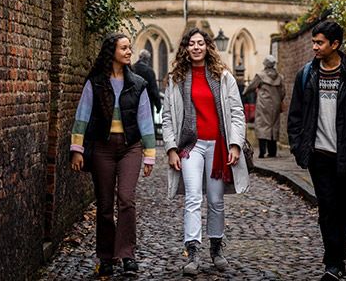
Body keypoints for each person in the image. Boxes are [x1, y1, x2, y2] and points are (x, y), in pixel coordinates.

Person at [287, 20, 346, 281]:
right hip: (318, 156)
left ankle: (338, 257)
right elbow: (295, 116)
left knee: (344, 209)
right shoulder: (306, 75)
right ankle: (333, 263)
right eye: (313, 42)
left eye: (320, 43)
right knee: (327, 208)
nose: (314, 47)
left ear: (335, 44)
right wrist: (298, 147)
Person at [161, 28, 248, 276]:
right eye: (192, 43)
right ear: (186, 49)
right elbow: (167, 117)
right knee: (192, 198)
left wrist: (235, 144)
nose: (196, 47)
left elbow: (237, 113)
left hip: (217, 146)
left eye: (201, 43)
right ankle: (193, 251)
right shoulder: (176, 79)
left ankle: (217, 248)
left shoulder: (223, 76)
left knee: (215, 200)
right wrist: (171, 148)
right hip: (190, 146)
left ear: (208, 46)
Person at [70, 33, 156, 278]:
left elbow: (146, 122)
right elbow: (82, 116)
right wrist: (76, 150)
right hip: (102, 148)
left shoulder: (138, 83)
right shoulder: (95, 83)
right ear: (112, 52)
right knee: (105, 205)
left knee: (126, 199)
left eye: (130, 47)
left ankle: (128, 255)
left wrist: (149, 155)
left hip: (131, 148)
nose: (130, 52)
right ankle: (106, 256)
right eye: (125, 48)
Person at [254, 54, 284, 158]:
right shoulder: (279, 77)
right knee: (273, 126)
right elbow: (283, 91)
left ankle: (262, 151)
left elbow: (250, 86)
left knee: (262, 125)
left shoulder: (260, 75)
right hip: (275, 104)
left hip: (263, 103)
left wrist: (243, 93)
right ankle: (272, 152)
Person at [132, 48, 162, 115]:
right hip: (146, 103)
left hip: (133, 103)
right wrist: (158, 105)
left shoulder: (131, 69)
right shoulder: (149, 71)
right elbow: (154, 90)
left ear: (139, 57)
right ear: (148, 59)